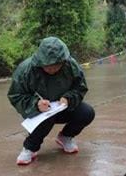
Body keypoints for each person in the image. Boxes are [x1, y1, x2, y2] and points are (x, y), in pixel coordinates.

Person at [8, 37, 95, 165]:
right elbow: (16, 95)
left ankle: (65, 137)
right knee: (46, 118)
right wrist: (36, 104)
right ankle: (30, 148)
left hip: (63, 107)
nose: (53, 69)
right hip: (40, 112)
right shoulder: (26, 70)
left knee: (87, 112)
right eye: (48, 66)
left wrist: (68, 98)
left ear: (63, 61)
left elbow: (80, 87)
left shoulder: (70, 65)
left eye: (57, 66)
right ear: (40, 61)